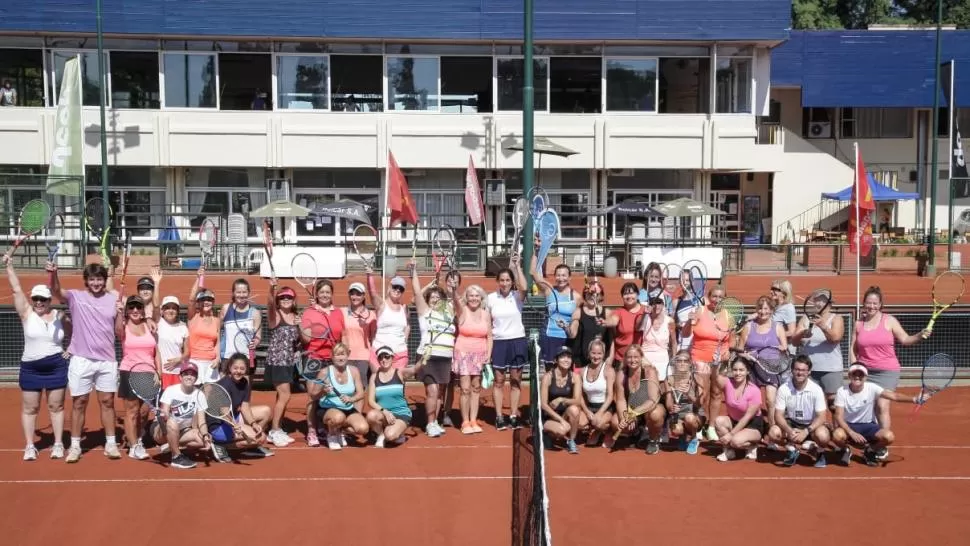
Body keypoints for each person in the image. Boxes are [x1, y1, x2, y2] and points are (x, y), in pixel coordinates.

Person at [48, 261, 121, 463]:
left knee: (107, 402)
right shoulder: (75, 297)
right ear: (86, 281)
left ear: (105, 280)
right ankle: (75, 445)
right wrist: (53, 273)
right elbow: (55, 290)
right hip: (81, 359)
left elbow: (118, 330)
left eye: (99, 279)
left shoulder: (114, 299)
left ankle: (111, 443)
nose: (96, 283)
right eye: (92, 279)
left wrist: (121, 312)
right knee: (79, 403)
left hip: (107, 360)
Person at [849, 286, 929, 459]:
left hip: (887, 371)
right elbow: (853, 348)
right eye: (868, 303)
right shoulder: (858, 324)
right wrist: (854, 366)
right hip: (866, 371)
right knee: (867, 406)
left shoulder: (889, 321)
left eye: (875, 303)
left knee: (882, 405)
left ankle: (882, 443)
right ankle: (873, 437)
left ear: (880, 304)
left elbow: (906, 339)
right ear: (864, 304)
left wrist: (920, 335)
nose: (871, 306)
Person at [5, 255, 70, 461]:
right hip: (31, 368)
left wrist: (72, 350)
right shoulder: (26, 314)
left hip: (56, 367)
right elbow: (16, 289)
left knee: (56, 407)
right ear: (31, 300)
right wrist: (9, 266)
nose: (39, 302)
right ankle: (30, 446)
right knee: (30, 408)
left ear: (50, 300)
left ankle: (58, 444)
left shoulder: (61, 318)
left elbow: (78, 334)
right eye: (36, 299)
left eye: (43, 299)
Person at [831, 363, 923, 467]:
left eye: (860, 374)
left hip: (868, 425)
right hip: (849, 425)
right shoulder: (842, 391)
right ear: (849, 376)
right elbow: (838, 416)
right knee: (837, 436)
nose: (857, 377)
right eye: (854, 374)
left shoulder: (872, 387)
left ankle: (870, 450)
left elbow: (894, 396)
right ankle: (845, 449)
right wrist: (851, 433)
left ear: (865, 377)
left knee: (889, 437)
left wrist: (915, 399)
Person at [410, 262, 455, 438]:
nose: (435, 299)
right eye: (432, 297)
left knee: (440, 393)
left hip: (445, 356)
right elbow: (416, 292)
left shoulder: (449, 313)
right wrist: (413, 272)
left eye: (438, 297)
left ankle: (435, 421)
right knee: (433, 390)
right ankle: (429, 423)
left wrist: (451, 286)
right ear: (428, 300)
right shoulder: (424, 312)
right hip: (428, 356)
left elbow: (454, 297)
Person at [300, 278, 346, 447]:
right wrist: (300, 326)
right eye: (322, 292)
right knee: (314, 396)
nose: (325, 295)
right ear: (316, 295)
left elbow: (343, 335)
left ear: (332, 294)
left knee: (331, 396)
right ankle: (312, 431)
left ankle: (329, 429)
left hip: (332, 361)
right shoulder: (309, 313)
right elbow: (305, 339)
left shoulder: (338, 312)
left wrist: (345, 352)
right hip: (314, 359)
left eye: (328, 292)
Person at [682, 285, 732, 441]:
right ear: (709, 297)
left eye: (720, 297)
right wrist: (689, 322)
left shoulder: (728, 315)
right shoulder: (700, 311)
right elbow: (685, 334)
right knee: (701, 395)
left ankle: (711, 427)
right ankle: (699, 424)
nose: (717, 300)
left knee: (716, 393)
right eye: (714, 296)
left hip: (720, 359)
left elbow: (732, 337)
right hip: (700, 357)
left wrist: (728, 350)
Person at [766, 355, 831, 468]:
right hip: (792, 423)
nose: (800, 373)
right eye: (797, 369)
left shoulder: (816, 389)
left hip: (811, 425)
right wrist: (789, 430)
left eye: (803, 370)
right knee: (773, 433)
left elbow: (821, 417)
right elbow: (778, 415)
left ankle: (819, 452)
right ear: (792, 370)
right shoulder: (784, 388)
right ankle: (792, 450)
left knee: (823, 436)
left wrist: (806, 431)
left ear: (809, 372)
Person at [487, 256, 529, 430]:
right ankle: (498, 416)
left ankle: (512, 416)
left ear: (512, 282)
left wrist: (518, 266)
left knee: (516, 380)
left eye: (508, 280)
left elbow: (525, 287)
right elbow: (487, 323)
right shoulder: (490, 298)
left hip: (517, 340)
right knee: (498, 380)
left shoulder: (517, 296)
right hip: (499, 342)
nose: (505, 283)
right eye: (502, 280)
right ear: (498, 282)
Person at [208, 353, 274, 462]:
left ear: (246, 369)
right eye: (235, 368)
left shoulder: (245, 382)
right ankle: (220, 445)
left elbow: (245, 407)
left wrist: (253, 423)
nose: (238, 371)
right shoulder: (223, 385)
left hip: (232, 418)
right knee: (260, 438)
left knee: (266, 411)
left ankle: (250, 446)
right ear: (229, 368)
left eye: (242, 368)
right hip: (218, 424)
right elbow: (223, 412)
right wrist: (234, 425)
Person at [115, 296, 158, 460]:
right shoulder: (123, 326)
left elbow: (156, 352)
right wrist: (119, 313)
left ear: (142, 309)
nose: (134, 310)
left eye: (138, 307)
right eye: (131, 307)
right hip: (129, 372)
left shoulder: (149, 326)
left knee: (144, 411)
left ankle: (138, 438)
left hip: (148, 372)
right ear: (127, 310)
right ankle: (134, 446)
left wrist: (157, 372)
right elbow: (117, 330)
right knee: (131, 412)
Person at [738, 295, 788, 429]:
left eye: (766, 309)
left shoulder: (777, 327)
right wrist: (745, 355)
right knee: (752, 401)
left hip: (771, 366)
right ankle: (754, 427)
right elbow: (739, 349)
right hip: (752, 366)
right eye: (760, 308)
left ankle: (772, 429)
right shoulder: (749, 326)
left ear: (771, 310)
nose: (763, 312)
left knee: (771, 400)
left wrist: (782, 348)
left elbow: (785, 346)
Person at [152, 363, 211, 470]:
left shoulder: (200, 395)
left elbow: (202, 421)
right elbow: (165, 413)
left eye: (192, 374)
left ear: (196, 378)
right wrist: (164, 414)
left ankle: (171, 446)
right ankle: (176, 457)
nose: (189, 377)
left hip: (183, 430)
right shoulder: (171, 390)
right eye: (186, 374)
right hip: (162, 429)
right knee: (172, 421)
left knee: (202, 439)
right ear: (180, 377)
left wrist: (206, 436)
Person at [791, 292, 844, 410]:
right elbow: (794, 342)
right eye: (817, 300)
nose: (819, 303)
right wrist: (802, 333)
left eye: (822, 300)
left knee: (833, 405)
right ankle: (812, 427)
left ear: (829, 304)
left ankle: (837, 428)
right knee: (809, 402)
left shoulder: (836, 318)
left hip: (831, 368)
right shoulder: (805, 319)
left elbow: (835, 338)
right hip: (809, 369)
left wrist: (823, 326)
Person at [366, 345, 426, 447]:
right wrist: (385, 412)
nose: (384, 360)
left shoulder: (399, 372)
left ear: (392, 358)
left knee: (390, 436)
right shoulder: (374, 377)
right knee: (371, 416)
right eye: (381, 357)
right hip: (384, 414)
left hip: (401, 413)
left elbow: (414, 369)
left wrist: (423, 359)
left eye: (387, 356)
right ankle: (381, 435)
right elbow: (371, 401)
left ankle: (397, 432)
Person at [452, 284, 492, 434]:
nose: (474, 298)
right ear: (466, 298)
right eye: (471, 296)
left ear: (481, 298)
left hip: (480, 354)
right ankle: (465, 421)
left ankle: (474, 420)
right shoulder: (462, 311)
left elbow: (489, 336)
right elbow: (456, 301)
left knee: (476, 388)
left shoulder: (486, 314)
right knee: (465, 388)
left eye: (477, 296)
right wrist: (454, 290)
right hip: (463, 353)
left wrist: (489, 353)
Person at [264, 281, 300, 447]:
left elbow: (299, 341)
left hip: (289, 362)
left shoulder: (296, 317)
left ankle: (278, 428)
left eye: (289, 297)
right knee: (285, 395)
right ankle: (274, 430)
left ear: (294, 300)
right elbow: (269, 303)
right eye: (282, 297)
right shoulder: (275, 315)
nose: (285, 299)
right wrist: (272, 288)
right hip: (277, 361)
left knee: (282, 396)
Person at [317, 344, 369, 450]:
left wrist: (351, 399)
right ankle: (331, 435)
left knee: (363, 429)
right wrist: (323, 391)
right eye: (337, 355)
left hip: (348, 409)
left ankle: (340, 430)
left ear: (348, 355)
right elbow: (313, 395)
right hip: (327, 409)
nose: (340, 358)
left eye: (343, 354)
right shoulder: (324, 372)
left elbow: (360, 393)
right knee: (337, 417)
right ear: (332, 356)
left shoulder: (354, 371)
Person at [614, 344, 664, 453]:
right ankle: (637, 432)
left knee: (656, 414)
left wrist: (633, 414)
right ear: (625, 358)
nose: (633, 360)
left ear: (641, 357)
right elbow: (621, 400)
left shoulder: (649, 372)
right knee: (615, 422)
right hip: (632, 410)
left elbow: (653, 400)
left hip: (649, 409)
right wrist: (624, 417)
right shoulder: (621, 374)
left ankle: (653, 440)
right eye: (630, 357)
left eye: (636, 357)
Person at [713, 355, 763, 462]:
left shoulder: (754, 391)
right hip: (734, 420)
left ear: (747, 371)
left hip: (752, 424)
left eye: (741, 370)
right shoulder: (728, 383)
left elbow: (747, 417)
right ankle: (729, 451)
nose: (738, 373)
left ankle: (752, 446)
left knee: (735, 441)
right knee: (718, 421)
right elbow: (717, 376)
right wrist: (718, 363)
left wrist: (730, 434)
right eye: (735, 370)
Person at [531, 260, 580, 369]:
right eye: (558, 275)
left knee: (566, 371)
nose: (561, 278)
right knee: (550, 371)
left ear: (569, 277)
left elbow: (581, 315)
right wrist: (536, 250)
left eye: (564, 275)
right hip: (549, 337)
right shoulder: (549, 290)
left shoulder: (576, 297)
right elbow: (534, 273)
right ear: (554, 277)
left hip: (567, 339)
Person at [539, 346, 582, 454]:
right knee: (562, 430)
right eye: (563, 357)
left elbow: (577, 400)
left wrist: (561, 399)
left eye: (569, 357)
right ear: (556, 360)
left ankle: (571, 441)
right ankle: (546, 433)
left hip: (564, 414)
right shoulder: (547, 377)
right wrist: (561, 420)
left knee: (575, 410)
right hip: (548, 416)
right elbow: (543, 404)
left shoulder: (575, 377)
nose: (566, 360)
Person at [366, 271, 409, 370]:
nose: (397, 290)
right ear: (389, 287)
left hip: (400, 353)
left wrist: (405, 341)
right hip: (379, 352)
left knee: (397, 383)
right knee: (377, 382)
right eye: (395, 287)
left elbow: (407, 326)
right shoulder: (382, 305)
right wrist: (370, 276)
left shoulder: (404, 308)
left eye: (401, 289)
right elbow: (372, 293)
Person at [566, 280, 613, 368]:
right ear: (585, 295)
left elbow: (611, 339)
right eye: (590, 294)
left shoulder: (607, 313)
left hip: (599, 358)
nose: (593, 297)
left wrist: (610, 357)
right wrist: (567, 327)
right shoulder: (578, 312)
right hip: (580, 359)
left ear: (601, 296)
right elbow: (572, 334)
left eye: (596, 294)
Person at [664, 350, 703, 455]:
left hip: (695, 416)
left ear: (690, 363)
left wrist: (689, 395)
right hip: (679, 416)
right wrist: (671, 408)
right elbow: (668, 400)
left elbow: (700, 404)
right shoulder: (669, 379)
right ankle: (683, 436)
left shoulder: (696, 378)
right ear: (675, 363)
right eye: (679, 360)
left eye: (685, 361)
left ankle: (694, 438)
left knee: (689, 418)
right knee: (675, 430)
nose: (682, 363)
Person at [578, 339, 615, 447]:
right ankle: (595, 429)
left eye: (599, 353)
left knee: (598, 422)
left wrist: (599, 413)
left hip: (605, 407)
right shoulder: (582, 371)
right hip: (590, 407)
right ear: (589, 353)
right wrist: (586, 411)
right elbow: (580, 395)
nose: (596, 356)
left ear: (603, 354)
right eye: (593, 353)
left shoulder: (609, 370)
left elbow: (610, 396)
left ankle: (607, 430)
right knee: (578, 423)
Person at [187, 272, 222, 385]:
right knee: (193, 393)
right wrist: (198, 277)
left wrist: (217, 358)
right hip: (194, 361)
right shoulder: (193, 317)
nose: (206, 302)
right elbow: (191, 298)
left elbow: (217, 342)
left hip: (211, 363)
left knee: (207, 395)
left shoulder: (216, 321)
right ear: (198, 303)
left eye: (209, 299)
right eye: (203, 299)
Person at [220, 278, 261, 365]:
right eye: (238, 292)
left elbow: (258, 336)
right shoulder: (226, 308)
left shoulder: (255, 313)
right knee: (226, 379)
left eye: (244, 292)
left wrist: (255, 343)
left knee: (246, 379)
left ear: (249, 293)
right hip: (227, 358)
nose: (242, 295)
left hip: (247, 358)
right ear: (233, 293)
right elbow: (217, 330)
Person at [343, 281, 376, 391]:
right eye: (352, 293)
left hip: (364, 356)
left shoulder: (371, 315)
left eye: (358, 294)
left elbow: (373, 337)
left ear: (363, 296)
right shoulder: (342, 312)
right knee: (347, 386)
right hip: (346, 356)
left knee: (361, 387)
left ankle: (359, 408)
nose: (355, 296)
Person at [606, 282, 644, 366]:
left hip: (640, 358)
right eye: (625, 294)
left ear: (637, 294)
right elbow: (613, 320)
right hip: (621, 358)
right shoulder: (619, 311)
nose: (629, 296)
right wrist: (605, 322)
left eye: (631, 293)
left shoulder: (645, 310)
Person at [156, 296, 189, 390]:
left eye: (174, 308)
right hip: (161, 371)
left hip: (178, 372)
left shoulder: (183, 327)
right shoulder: (158, 322)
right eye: (167, 308)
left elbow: (187, 351)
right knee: (161, 403)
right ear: (162, 311)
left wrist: (179, 359)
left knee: (175, 403)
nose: (170, 311)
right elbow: (154, 305)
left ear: (178, 311)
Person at [640, 296, 676, 380]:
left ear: (663, 305)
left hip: (663, 356)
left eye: (659, 303)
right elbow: (638, 328)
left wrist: (673, 359)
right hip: (646, 357)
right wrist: (644, 314)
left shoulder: (670, 321)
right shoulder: (645, 319)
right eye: (653, 304)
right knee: (650, 385)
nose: (656, 306)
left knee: (665, 386)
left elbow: (673, 342)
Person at [769, 280, 797, 352]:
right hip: (772, 347)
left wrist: (771, 335)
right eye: (771, 289)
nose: (771, 292)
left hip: (783, 351)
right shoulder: (776, 306)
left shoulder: (788, 308)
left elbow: (792, 332)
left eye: (775, 289)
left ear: (784, 292)